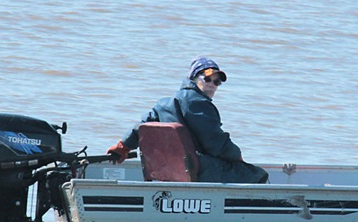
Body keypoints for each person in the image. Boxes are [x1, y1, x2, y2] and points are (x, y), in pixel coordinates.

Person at [107, 56, 269, 183]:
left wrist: (123, 146)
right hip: (198, 168)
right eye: (207, 78)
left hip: (168, 168)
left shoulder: (163, 103)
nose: (212, 84)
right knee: (256, 174)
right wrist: (237, 155)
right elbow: (216, 145)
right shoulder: (199, 103)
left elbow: (140, 127)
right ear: (194, 78)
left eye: (217, 81)